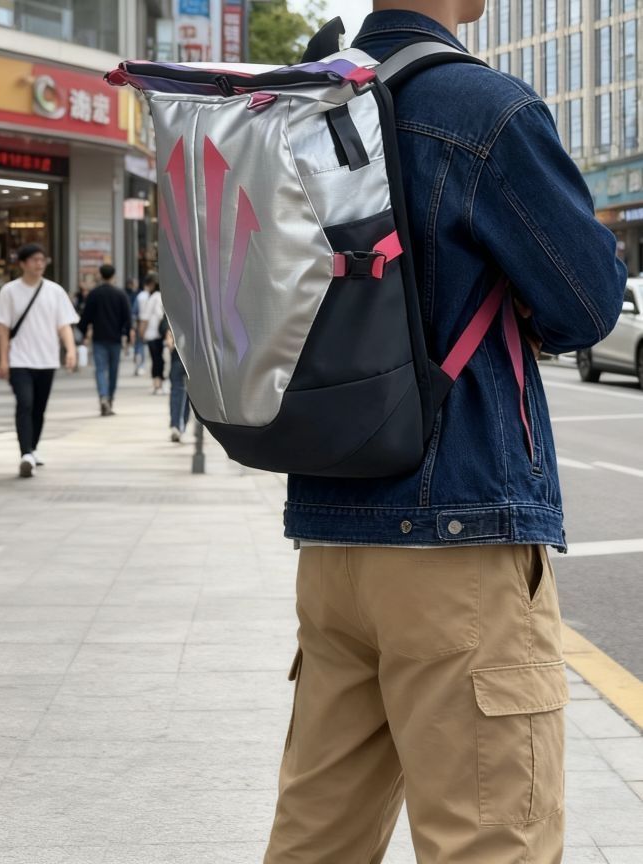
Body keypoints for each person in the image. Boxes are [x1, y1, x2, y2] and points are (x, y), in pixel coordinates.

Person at [263, 3, 627, 864]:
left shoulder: (308, 105)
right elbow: (586, 303)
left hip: (332, 535)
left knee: (318, 840)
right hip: (456, 535)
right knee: (489, 841)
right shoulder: (484, 109)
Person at [0, 243, 77, 478]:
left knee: (39, 407)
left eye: (42, 260)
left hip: (47, 359)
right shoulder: (9, 291)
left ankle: (32, 448)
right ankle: (26, 454)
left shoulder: (55, 291)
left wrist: (70, 350)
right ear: (23, 264)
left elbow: (64, 325)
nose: (39, 264)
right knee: (25, 403)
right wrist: (3, 360)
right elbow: (3, 328)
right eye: (34, 260)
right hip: (19, 359)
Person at [78, 264, 133, 416]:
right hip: (115, 339)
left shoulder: (94, 294)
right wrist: (128, 336)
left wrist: (83, 333)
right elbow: (127, 318)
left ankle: (103, 395)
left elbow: (86, 317)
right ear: (114, 276)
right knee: (113, 371)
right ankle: (110, 399)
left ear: (100, 275)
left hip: (99, 338)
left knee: (100, 369)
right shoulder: (120, 294)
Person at [138, 276, 165, 394]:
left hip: (152, 333)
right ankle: (159, 383)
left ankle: (157, 383)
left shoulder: (154, 298)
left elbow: (146, 317)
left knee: (156, 359)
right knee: (159, 358)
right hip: (159, 334)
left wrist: (141, 332)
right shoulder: (161, 296)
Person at [166, 328, 190, 442]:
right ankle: (180, 425)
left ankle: (177, 425)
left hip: (179, 357)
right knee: (188, 394)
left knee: (177, 392)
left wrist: (169, 337)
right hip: (192, 359)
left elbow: (165, 327)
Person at [131, 273, 153, 376]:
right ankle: (143, 366)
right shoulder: (153, 296)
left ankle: (139, 365)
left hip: (140, 323)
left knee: (139, 345)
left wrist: (133, 325)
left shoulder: (140, 296)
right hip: (151, 324)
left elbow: (134, 312)